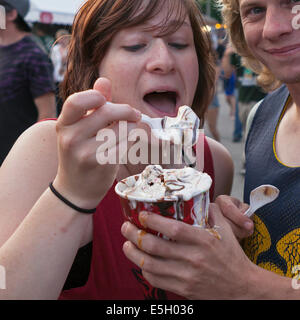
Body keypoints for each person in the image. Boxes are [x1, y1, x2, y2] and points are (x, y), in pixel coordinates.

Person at [0, 0, 234, 300]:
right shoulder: (48, 149)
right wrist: (71, 195)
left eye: (179, 43)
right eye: (136, 46)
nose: (163, 60)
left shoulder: (215, 161)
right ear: (95, 65)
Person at [122, 0, 300, 299]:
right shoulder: (261, 117)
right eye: (255, 10)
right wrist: (236, 232)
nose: (274, 28)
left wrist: (246, 285)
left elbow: (245, 283)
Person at [0, 0, 56, 165]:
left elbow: (47, 114)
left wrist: (34, 161)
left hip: (18, 156)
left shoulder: (33, 55)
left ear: (11, 14)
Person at [51, 29, 71, 115]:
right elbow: (52, 62)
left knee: (66, 97)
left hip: (67, 76)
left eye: (63, 38)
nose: (61, 41)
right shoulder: (55, 49)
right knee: (57, 98)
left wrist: (65, 62)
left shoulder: (70, 48)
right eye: (59, 38)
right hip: (56, 77)